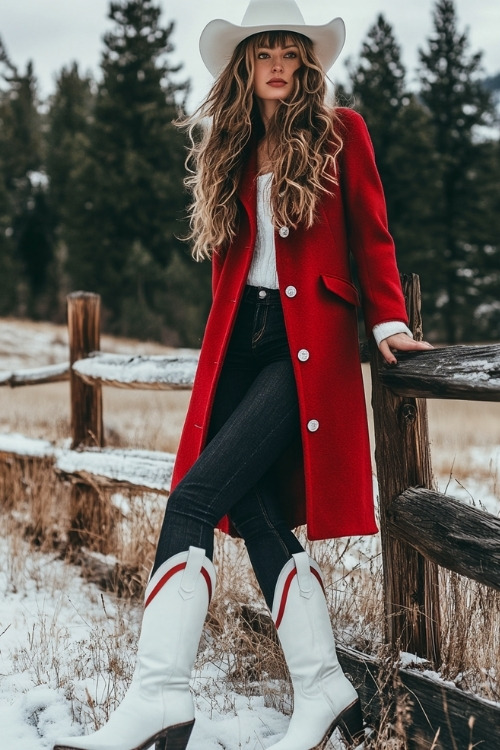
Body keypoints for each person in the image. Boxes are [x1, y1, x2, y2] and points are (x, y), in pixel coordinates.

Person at [54, 1, 433, 749]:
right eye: (265, 51)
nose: (279, 63)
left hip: (305, 348)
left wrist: (388, 320)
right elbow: (231, 266)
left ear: (306, 62)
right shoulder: (229, 141)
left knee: (192, 499)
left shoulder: (339, 130)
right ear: (245, 64)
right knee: (254, 516)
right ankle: (325, 687)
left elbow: (372, 230)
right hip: (239, 344)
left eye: (292, 51)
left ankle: (159, 697)